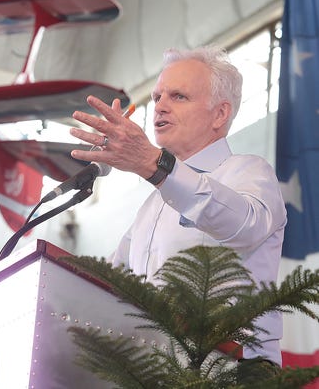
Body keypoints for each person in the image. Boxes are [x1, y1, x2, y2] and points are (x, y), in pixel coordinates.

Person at [68, 45, 287, 366]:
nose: (160, 107)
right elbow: (108, 288)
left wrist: (154, 165)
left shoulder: (249, 172)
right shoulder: (150, 208)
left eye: (178, 97)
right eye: (157, 98)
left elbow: (243, 228)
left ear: (220, 113)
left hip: (234, 373)